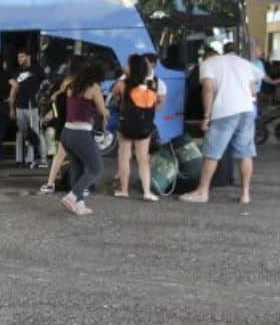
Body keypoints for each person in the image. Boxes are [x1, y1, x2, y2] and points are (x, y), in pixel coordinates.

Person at [180, 42, 264, 205]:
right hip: (247, 110)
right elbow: (253, 90)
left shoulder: (208, 64)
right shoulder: (244, 63)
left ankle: (202, 192)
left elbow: (208, 89)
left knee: (212, 152)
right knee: (245, 153)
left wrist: (206, 116)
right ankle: (245, 194)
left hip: (225, 111)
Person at [59, 61, 109, 216]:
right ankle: (72, 196)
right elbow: (103, 111)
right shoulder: (94, 88)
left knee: (77, 168)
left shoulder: (71, 86)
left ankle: (79, 204)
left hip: (66, 132)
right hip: (81, 133)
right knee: (96, 168)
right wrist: (107, 112)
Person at [113, 55, 161, 201]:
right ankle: (147, 192)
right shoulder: (152, 84)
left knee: (124, 156)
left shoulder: (123, 84)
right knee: (143, 159)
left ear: (131, 67)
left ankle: (124, 190)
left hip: (126, 124)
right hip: (145, 126)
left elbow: (115, 95)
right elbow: (156, 101)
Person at [41, 55, 86, 193]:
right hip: (79, 125)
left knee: (59, 156)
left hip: (64, 126)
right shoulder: (84, 85)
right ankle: (82, 187)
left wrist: (53, 114)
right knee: (82, 157)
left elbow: (55, 103)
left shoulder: (63, 84)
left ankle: (50, 183)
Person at [9, 50, 47, 168]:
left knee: (34, 132)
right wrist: (12, 107)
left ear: (28, 56)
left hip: (32, 106)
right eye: (18, 57)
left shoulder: (37, 69)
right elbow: (14, 87)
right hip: (20, 106)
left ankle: (38, 158)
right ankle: (20, 159)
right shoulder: (17, 71)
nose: (19, 59)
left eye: (21, 56)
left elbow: (45, 81)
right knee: (22, 133)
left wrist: (41, 93)